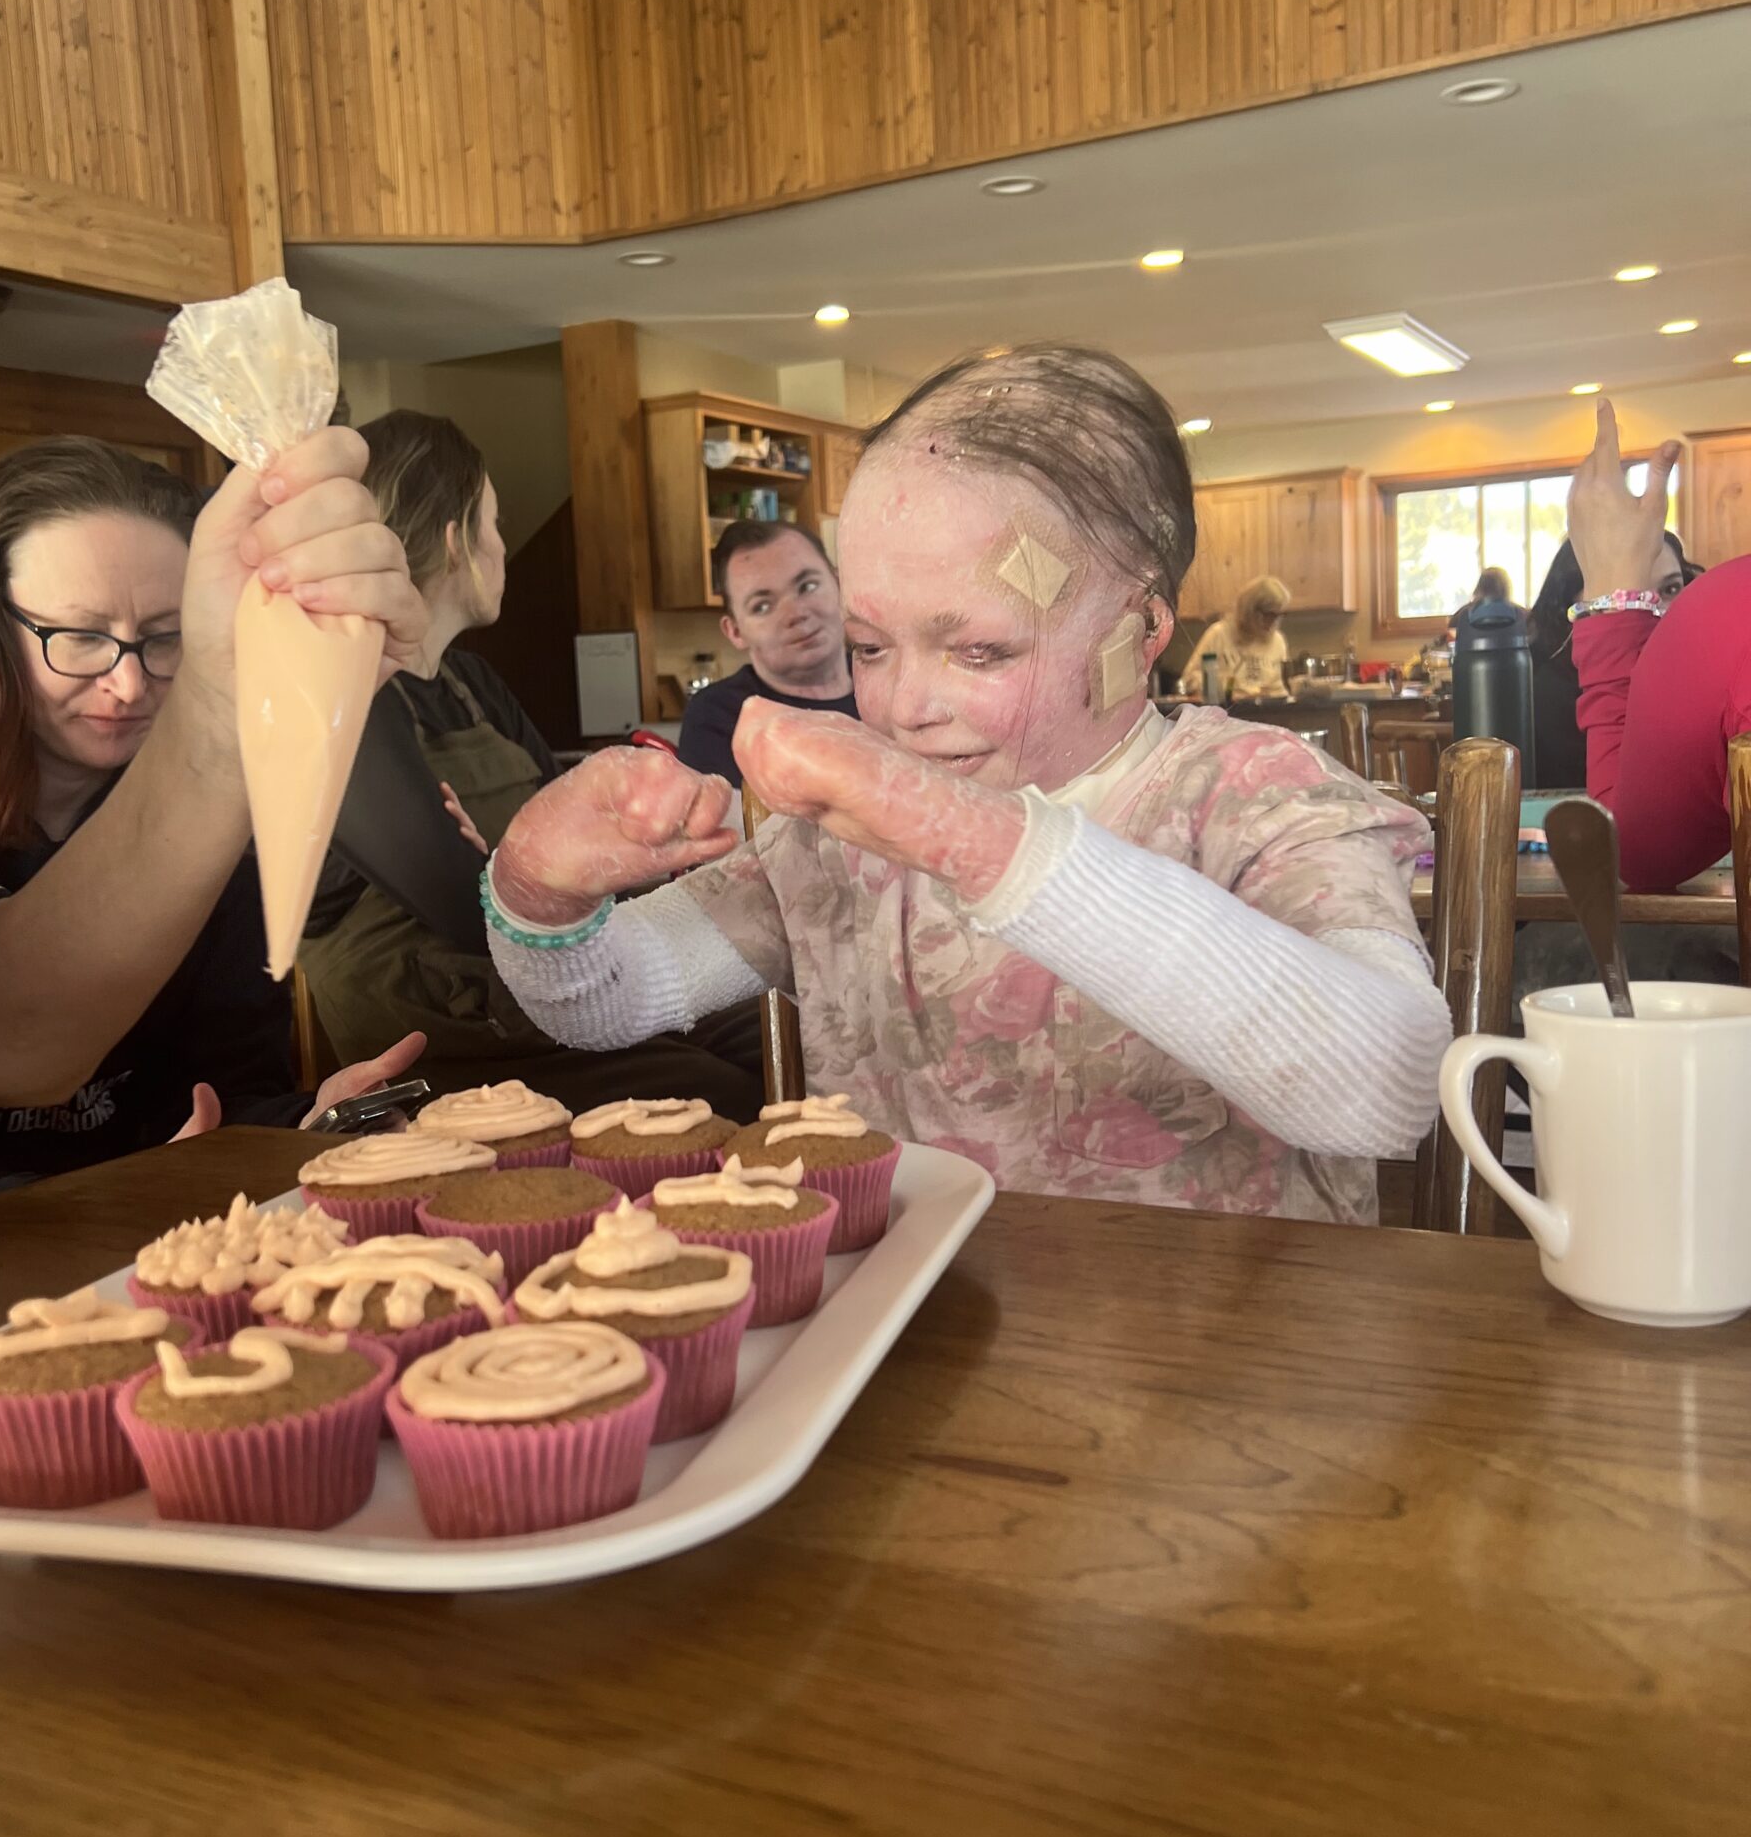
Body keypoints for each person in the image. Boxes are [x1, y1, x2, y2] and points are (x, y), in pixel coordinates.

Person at [480, 345, 1450, 1224]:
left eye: (979, 649)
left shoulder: (1259, 798)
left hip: (1216, 1379)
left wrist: (965, 835)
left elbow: (1392, 1082)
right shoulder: (835, 842)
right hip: (909, 1349)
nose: (905, 706)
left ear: (1142, 627)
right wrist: (538, 893)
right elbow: (607, 997)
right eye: (868, 646)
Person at [0, 433, 428, 1232]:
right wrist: (135, 1198)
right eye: (78, 636)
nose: (128, 682)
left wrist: (309, 1127)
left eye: (167, 635)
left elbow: (228, 1089)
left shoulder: (209, 822)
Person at [300, 411, 761, 1119]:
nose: (502, 548)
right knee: (723, 1100)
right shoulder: (343, 694)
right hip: (447, 1026)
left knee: (783, 1034)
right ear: (457, 540)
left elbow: (580, 836)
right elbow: (462, 907)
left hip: (543, 981)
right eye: (496, 523)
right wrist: (523, 878)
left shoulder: (473, 683)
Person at [1564, 400, 1751, 890]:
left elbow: (1631, 853)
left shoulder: (1720, 626)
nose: (1657, 615)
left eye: (1669, 590)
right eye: (1645, 597)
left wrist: (1614, 602)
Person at [676, 520, 855, 788]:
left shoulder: (891, 681)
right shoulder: (719, 716)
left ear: (840, 584)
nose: (796, 614)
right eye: (762, 606)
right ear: (735, 631)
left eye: (807, 586)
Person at [1527, 528, 1699, 788]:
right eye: (1628, 598)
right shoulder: (1549, 696)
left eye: (1670, 589)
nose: (1655, 611)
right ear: (1574, 604)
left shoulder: (1703, 679)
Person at [1179, 574, 1291, 701]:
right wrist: (1223, 688)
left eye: (1279, 615)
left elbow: (1281, 690)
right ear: (1250, 610)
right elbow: (1190, 681)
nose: (1273, 622)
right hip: (1227, 714)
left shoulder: (1278, 642)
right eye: (1268, 614)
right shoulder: (1219, 635)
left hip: (1266, 714)